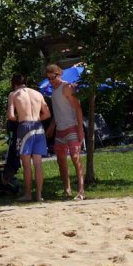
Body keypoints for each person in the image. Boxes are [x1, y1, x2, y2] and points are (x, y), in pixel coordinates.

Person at [7, 74, 51, 202]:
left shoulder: (14, 94)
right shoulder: (38, 94)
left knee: (26, 165)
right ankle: (39, 195)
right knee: (38, 164)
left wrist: (20, 119)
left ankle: (28, 194)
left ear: (14, 84)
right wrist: (36, 119)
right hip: (39, 127)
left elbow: (10, 116)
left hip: (24, 127)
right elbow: (47, 113)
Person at [45, 64, 85, 200]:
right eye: (49, 78)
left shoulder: (67, 87)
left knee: (75, 157)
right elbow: (58, 111)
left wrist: (80, 128)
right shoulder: (53, 91)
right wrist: (52, 126)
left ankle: (81, 190)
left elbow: (78, 108)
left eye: (53, 77)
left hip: (72, 127)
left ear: (59, 74)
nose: (51, 80)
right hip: (60, 130)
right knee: (60, 160)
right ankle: (67, 189)